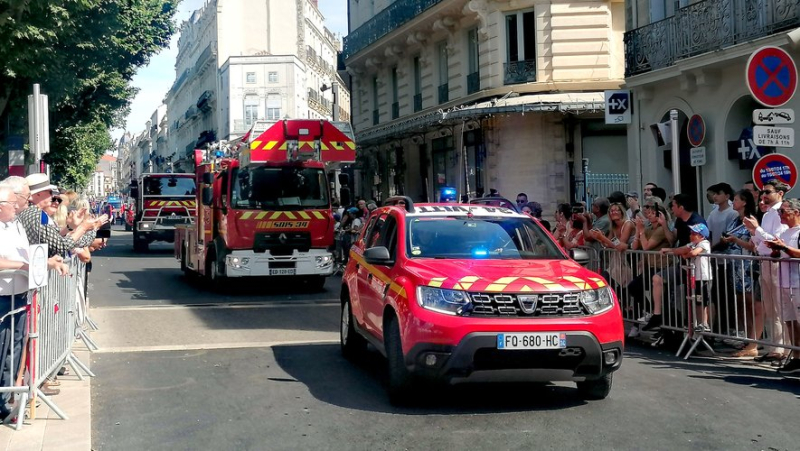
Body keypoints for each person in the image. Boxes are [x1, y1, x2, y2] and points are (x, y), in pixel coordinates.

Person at [643, 193, 708, 331]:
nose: (671, 209)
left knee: (698, 299)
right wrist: (665, 225)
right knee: (658, 279)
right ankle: (658, 315)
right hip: (682, 265)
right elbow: (673, 240)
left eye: (673, 205)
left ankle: (701, 329)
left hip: (696, 268)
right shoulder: (679, 220)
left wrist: (672, 251)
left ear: (681, 207)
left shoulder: (697, 222)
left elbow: (692, 246)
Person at [743, 179, 790, 363]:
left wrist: (757, 231)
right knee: (770, 308)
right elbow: (762, 241)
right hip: (765, 261)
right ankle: (775, 348)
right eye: (763, 192)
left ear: (780, 193)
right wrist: (754, 233)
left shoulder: (781, 213)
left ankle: (784, 349)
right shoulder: (768, 214)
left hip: (777, 262)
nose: (764, 196)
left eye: (768, 192)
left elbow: (777, 241)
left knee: (780, 307)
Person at [720, 189, 761, 358]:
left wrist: (735, 240)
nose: (733, 203)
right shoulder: (735, 219)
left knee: (751, 302)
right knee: (742, 303)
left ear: (744, 202)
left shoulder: (751, 220)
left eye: (736, 200)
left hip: (747, 265)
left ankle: (754, 343)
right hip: (734, 265)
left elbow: (753, 245)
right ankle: (747, 339)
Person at [762, 198, 800, 374]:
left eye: (783, 212)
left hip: (798, 284)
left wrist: (782, 247)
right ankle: (796, 358)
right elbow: (779, 254)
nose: (780, 215)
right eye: (779, 212)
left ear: (796, 213)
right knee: (790, 322)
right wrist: (776, 249)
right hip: (785, 284)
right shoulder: (784, 234)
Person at [662, 223, 713, 330]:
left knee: (703, 301)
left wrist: (686, 255)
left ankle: (704, 323)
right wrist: (669, 250)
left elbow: (693, 253)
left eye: (694, 233)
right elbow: (682, 249)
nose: (691, 235)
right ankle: (699, 323)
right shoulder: (693, 243)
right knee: (697, 301)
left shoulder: (704, 243)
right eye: (691, 233)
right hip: (696, 277)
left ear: (701, 236)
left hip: (704, 277)